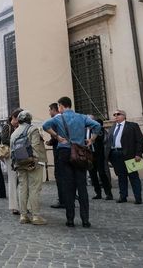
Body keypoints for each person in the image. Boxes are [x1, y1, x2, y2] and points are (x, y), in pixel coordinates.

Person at [43, 96, 101, 228]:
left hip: (64, 152)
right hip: (79, 153)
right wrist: (92, 139)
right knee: (82, 187)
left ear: (61, 106)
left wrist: (57, 136)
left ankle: (70, 219)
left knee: (68, 186)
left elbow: (46, 125)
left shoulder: (58, 118)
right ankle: (85, 220)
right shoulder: (82, 117)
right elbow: (97, 126)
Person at [12, 110, 48, 225]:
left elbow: (13, 151)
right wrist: (35, 162)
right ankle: (35, 216)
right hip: (32, 163)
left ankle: (23, 215)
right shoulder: (33, 129)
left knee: (22, 188)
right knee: (34, 188)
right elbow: (35, 148)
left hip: (19, 163)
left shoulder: (14, 133)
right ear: (29, 119)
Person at [105, 109, 143, 204]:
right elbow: (109, 142)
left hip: (130, 155)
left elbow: (139, 140)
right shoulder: (113, 127)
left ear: (124, 116)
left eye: (118, 114)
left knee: (134, 177)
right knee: (121, 177)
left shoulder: (132, 125)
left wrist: (138, 154)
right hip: (115, 154)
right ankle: (123, 196)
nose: (116, 116)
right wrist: (108, 155)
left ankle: (138, 198)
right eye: (114, 114)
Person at [88, 116, 113, 200]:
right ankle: (98, 193)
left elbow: (100, 138)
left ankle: (108, 193)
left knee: (102, 173)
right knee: (92, 174)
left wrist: (92, 139)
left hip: (98, 154)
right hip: (89, 154)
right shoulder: (86, 129)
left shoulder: (98, 128)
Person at [3, 109, 22, 214]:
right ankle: (14, 206)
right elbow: (4, 140)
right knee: (13, 180)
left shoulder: (20, 126)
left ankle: (23, 204)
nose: (18, 122)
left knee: (22, 180)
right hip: (11, 155)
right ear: (13, 118)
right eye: (17, 119)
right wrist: (16, 139)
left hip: (20, 153)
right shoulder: (7, 127)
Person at [47, 103, 64, 209]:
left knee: (59, 175)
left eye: (50, 110)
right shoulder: (65, 118)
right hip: (67, 149)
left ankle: (62, 200)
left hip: (58, 151)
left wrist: (50, 142)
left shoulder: (54, 121)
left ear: (54, 110)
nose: (49, 112)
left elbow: (55, 135)